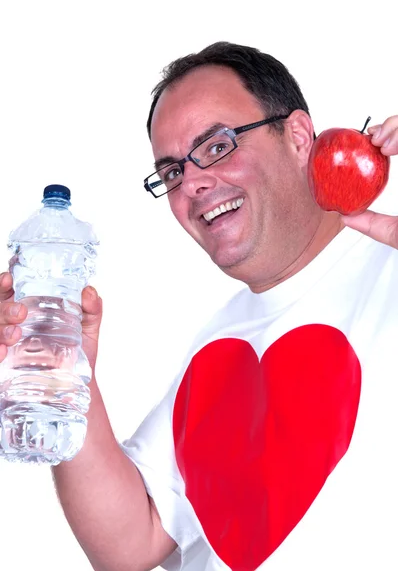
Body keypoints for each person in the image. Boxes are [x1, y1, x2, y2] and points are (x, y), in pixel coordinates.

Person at [0, 42, 398, 571]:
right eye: (171, 172)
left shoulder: (388, 268)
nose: (192, 184)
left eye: (216, 146)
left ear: (299, 137)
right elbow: (129, 545)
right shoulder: (218, 347)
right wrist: (71, 370)